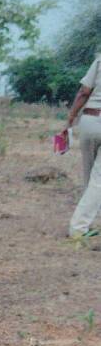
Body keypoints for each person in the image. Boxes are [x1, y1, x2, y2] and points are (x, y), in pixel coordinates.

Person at [67, 54, 101, 237]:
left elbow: (84, 91)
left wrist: (71, 116)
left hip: (89, 120)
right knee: (98, 180)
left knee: (91, 179)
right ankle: (78, 228)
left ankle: (86, 224)